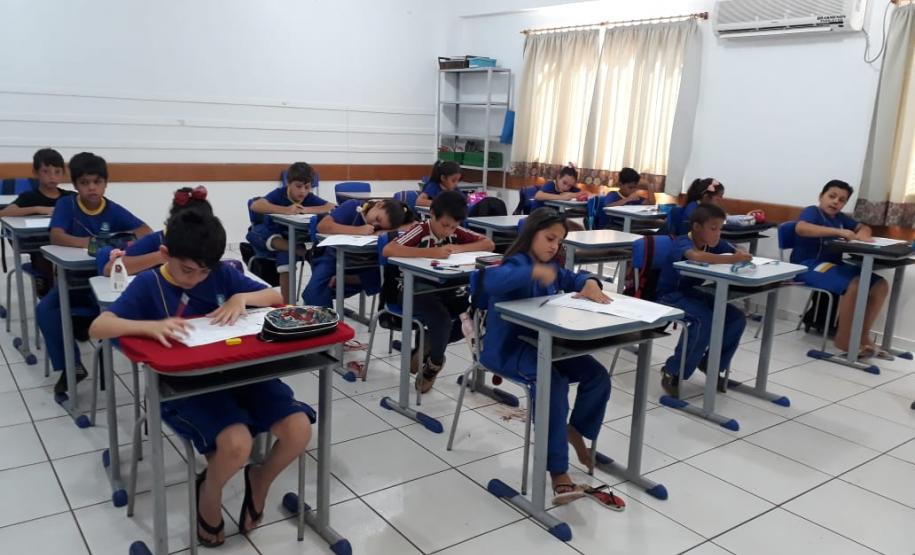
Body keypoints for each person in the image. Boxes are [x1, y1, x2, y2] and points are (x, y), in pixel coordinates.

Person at [89, 209, 312, 546]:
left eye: (203, 270)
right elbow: (99, 326)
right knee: (238, 444)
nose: (195, 278)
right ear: (166, 255)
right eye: (187, 270)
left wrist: (242, 297)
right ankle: (208, 493)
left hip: (242, 373)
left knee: (299, 431)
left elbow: (277, 298)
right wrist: (150, 326)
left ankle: (260, 479)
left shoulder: (221, 274)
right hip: (186, 386)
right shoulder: (151, 284)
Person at [479, 208, 624, 510]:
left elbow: (573, 277)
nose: (553, 246)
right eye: (549, 238)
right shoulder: (518, 262)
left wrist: (589, 282)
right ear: (531, 234)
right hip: (509, 349)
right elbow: (491, 281)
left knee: (597, 376)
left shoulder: (551, 264)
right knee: (553, 383)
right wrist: (530, 271)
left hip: (545, 345)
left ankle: (575, 430)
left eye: (558, 242)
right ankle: (558, 469)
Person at [37, 152, 152, 394]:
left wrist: (122, 245)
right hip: (74, 283)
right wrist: (90, 243)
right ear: (76, 185)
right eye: (85, 183)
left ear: (105, 183)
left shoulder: (112, 209)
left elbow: (145, 230)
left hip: (106, 282)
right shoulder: (66, 205)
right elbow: (56, 235)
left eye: (97, 182)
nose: (92, 188)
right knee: (46, 309)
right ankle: (72, 367)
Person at [382, 191, 494, 390]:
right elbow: (389, 250)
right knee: (441, 320)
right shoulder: (420, 230)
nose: (448, 231)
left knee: (471, 317)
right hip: (412, 290)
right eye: (444, 225)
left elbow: (488, 243)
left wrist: (456, 249)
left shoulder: (453, 232)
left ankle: (428, 342)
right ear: (432, 214)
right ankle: (434, 365)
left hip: (445, 289)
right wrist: (430, 252)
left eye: (454, 226)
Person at [656, 204, 752, 397]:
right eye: (713, 228)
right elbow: (696, 256)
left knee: (736, 318)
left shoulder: (714, 244)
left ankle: (711, 364)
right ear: (697, 228)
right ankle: (673, 371)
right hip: (670, 295)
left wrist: (740, 251)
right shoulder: (684, 242)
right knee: (702, 320)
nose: (718, 233)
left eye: (721, 228)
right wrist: (734, 259)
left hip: (692, 293)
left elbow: (734, 249)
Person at [792, 179, 888, 357]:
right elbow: (801, 228)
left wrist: (862, 235)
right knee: (857, 283)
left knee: (879, 284)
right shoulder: (812, 212)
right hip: (808, 265)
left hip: (833, 266)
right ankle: (844, 339)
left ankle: (863, 336)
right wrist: (839, 232)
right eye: (832, 196)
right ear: (821, 196)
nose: (836, 202)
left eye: (842, 200)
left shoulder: (840, 218)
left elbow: (863, 227)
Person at [302, 199, 413, 307]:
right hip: (331, 257)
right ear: (379, 205)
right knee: (315, 291)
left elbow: (414, 225)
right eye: (377, 219)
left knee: (386, 273)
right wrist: (358, 230)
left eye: (379, 225)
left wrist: (382, 231)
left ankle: (343, 279)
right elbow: (322, 226)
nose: (374, 224)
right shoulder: (352, 206)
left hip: (362, 263)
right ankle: (326, 321)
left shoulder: (386, 223)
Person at [247, 162, 333, 300]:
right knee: (256, 233)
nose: (303, 191)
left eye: (307, 187)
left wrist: (306, 209)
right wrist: (286, 210)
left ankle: (304, 300)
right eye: (298, 186)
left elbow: (330, 206)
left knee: (315, 252)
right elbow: (256, 205)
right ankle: (287, 304)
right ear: (288, 183)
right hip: (275, 236)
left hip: (298, 240)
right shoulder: (279, 193)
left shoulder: (308, 198)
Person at [0, 148, 74, 296]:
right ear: (35, 173)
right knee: (44, 258)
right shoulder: (29, 197)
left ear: (63, 173)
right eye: (45, 171)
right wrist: (37, 208)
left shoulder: (69, 197)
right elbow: (3, 212)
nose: (52, 176)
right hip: (40, 247)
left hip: (67, 246)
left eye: (57, 172)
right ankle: (48, 293)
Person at [98, 185, 213, 276]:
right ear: (173, 223)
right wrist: (160, 257)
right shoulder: (155, 240)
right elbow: (109, 269)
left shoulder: (207, 242)